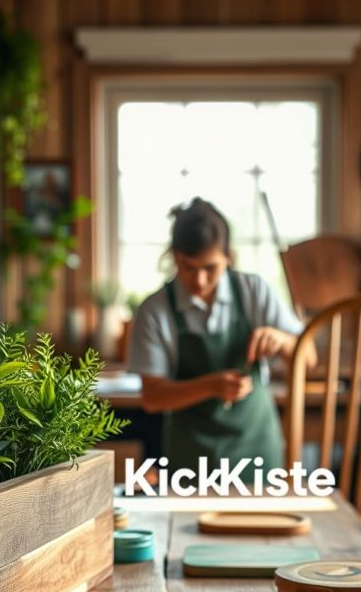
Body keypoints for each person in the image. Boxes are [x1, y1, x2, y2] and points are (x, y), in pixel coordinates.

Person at [127, 197, 315, 475]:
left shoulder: (254, 291)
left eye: (210, 268)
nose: (199, 280)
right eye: (188, 267)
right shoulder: (155, 310)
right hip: (190, 459)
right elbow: (153, 398)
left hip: (257, 451)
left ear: (229, 256)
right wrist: (211, 386)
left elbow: (309, 359)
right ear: (174, 257)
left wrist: (285, 342)